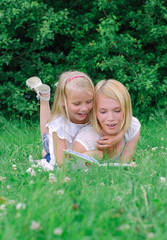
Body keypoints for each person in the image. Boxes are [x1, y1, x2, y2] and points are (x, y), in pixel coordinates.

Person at [73, 79, 141, 163]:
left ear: (126, 109)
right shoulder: (87, 138)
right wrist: (95, 155)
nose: (110, 118)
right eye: (103, 112)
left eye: (117, 110)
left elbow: (124, 166)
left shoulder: (132, 126)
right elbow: (70, 165)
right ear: (95, 112)